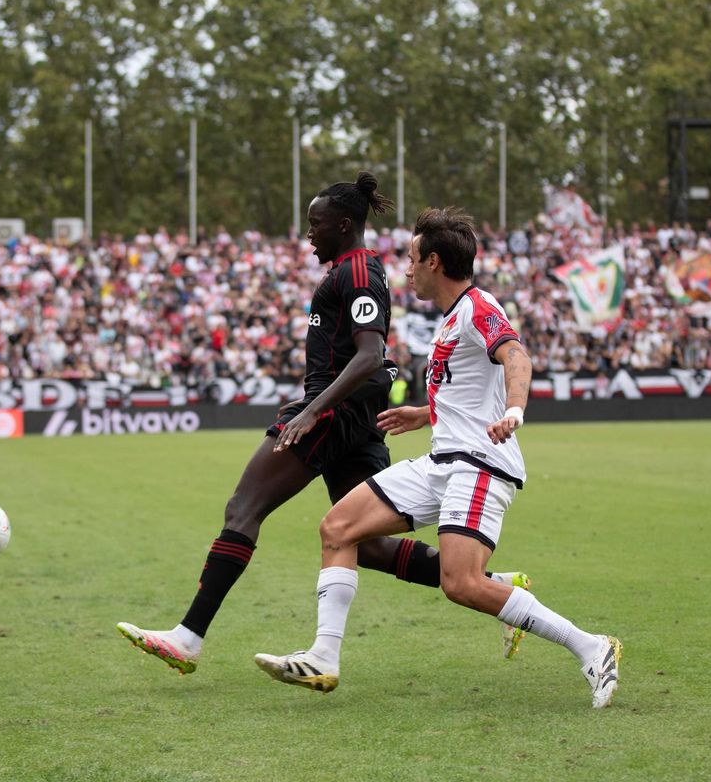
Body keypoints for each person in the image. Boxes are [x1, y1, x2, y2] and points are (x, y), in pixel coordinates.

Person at [116, 174, 528, 675]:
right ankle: (497, 586)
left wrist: (311, 411)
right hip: (348, 415)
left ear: (344, 224)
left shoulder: (360, 272)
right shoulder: (349, 270)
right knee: (365, 542)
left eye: (315, 224)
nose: (308, 233)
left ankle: (188, 637)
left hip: (332, 415)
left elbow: (371, 354)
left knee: (243, 507)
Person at [254, 206, 622, 708]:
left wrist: (515, 410)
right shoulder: (452, 319)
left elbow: (516, 356)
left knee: (461, 583)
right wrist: (425, 413)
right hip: (442, 462)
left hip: (479, 464)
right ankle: (324, 656)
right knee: (338, 528)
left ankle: (593, 646)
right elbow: (470, 391)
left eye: (411, 259)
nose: (405, 270)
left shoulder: (477, 306)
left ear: (433, 261)